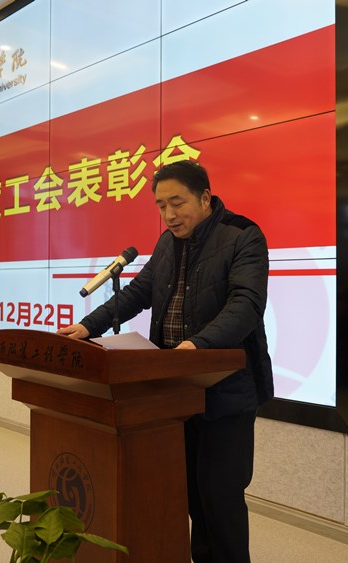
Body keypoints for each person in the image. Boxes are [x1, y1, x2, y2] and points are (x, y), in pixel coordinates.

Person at [57, 159, 273, 563]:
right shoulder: (166, 244)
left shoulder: (243, 236)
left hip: (225, 390)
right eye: (160, 205)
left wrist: (196, 346)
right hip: (174, 391)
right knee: (192, 498)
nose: (169, 214)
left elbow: (245, 305)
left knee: (221, 501)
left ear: (205, 197)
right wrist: (88, 327)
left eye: (177, 203)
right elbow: (136, 294)